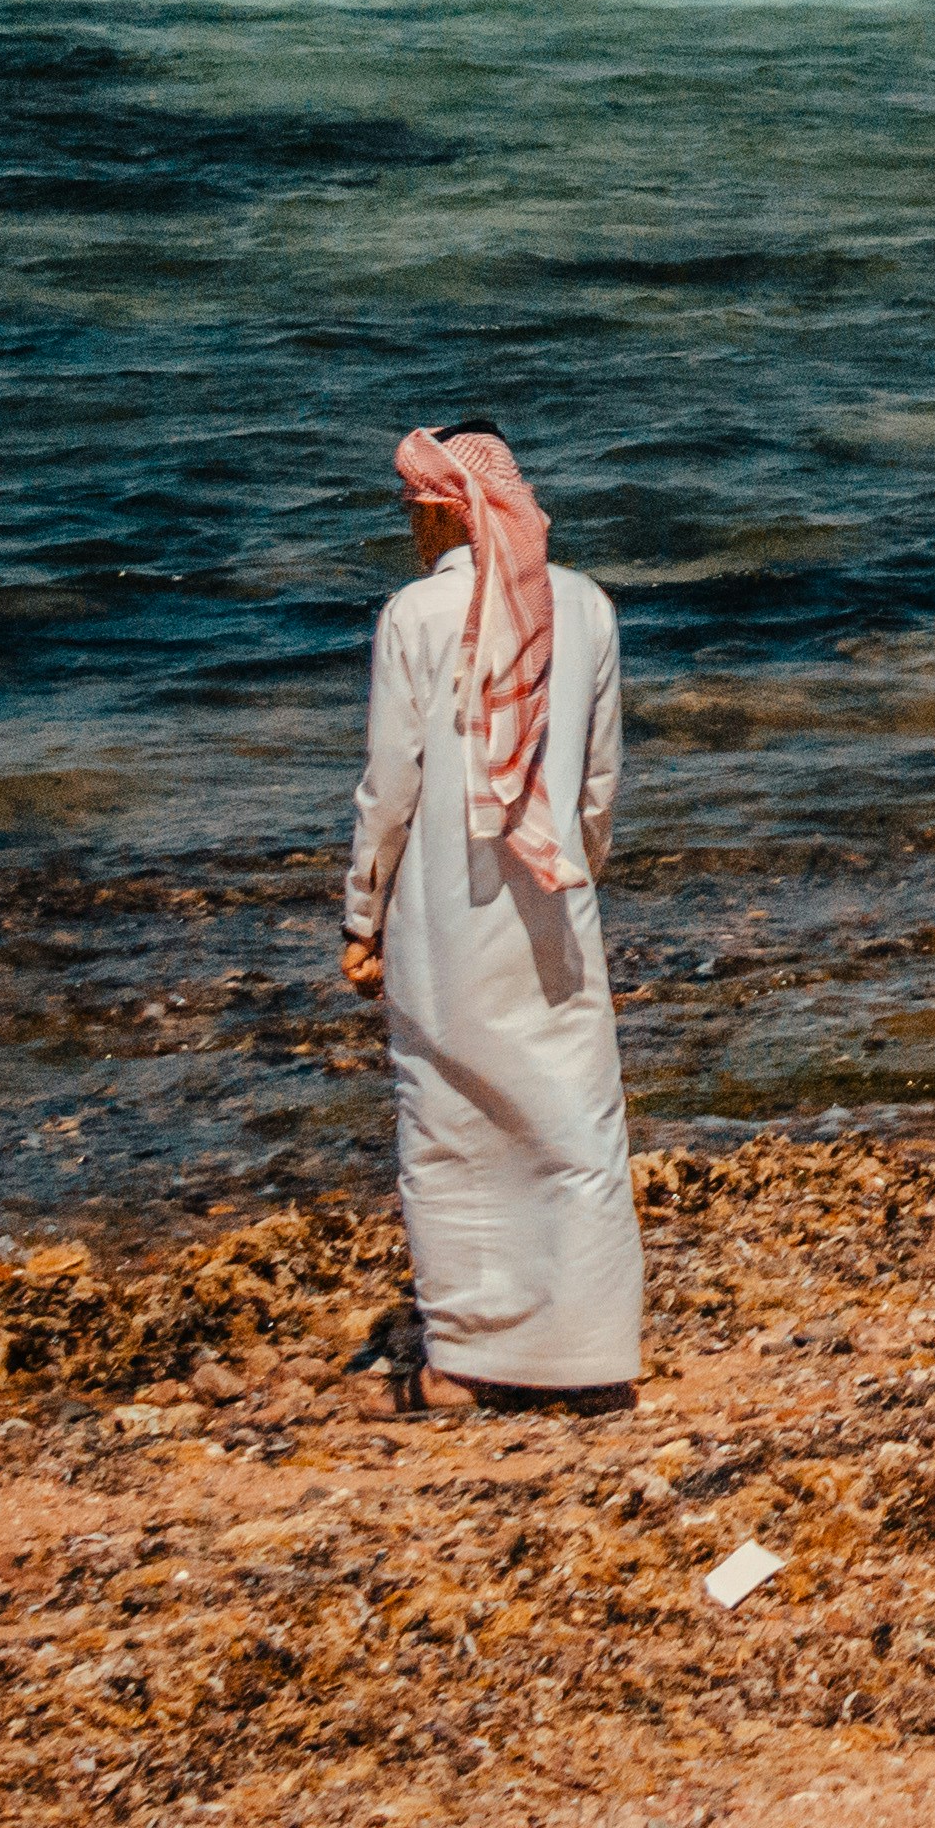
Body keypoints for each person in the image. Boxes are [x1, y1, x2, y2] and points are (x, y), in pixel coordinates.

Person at [341, 422, 639, 1410]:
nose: (410, 532)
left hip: (443, 910)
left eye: (413, 513)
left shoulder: (415, 615)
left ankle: (465, 1360)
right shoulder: (587, 607)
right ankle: (591, 1355)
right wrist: (579, 883)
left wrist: (361, 913)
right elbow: (596, 786)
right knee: (577, 1124)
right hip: (555, 906)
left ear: (442, 510)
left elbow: (390, 789)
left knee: (450, 1120)